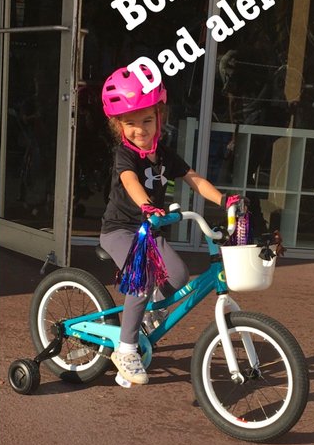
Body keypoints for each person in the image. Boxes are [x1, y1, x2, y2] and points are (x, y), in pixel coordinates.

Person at [98, 66, 238, 385]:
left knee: (178, 276)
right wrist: (146, 204)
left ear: (160, 116)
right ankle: (126, 347)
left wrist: (224, 200)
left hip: (151, 232)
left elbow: (194, 179)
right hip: (120, 230)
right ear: (118, 126)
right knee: (144, 277)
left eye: (147, 120)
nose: (140, 130)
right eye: (130, 124)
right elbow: (130, 181)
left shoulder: (162, 154)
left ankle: (148, 315)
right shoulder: (125, 155)